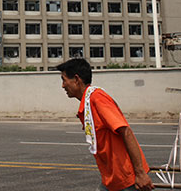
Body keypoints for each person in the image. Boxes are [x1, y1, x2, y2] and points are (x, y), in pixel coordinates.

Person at [56, 59, 154, 191]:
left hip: (127, 179)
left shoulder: (97, 98)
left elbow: (125, 131)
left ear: (76, 79)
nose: (63, 85)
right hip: (112, 180)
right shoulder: (88, 102)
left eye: (64, 79)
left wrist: (140, 173)